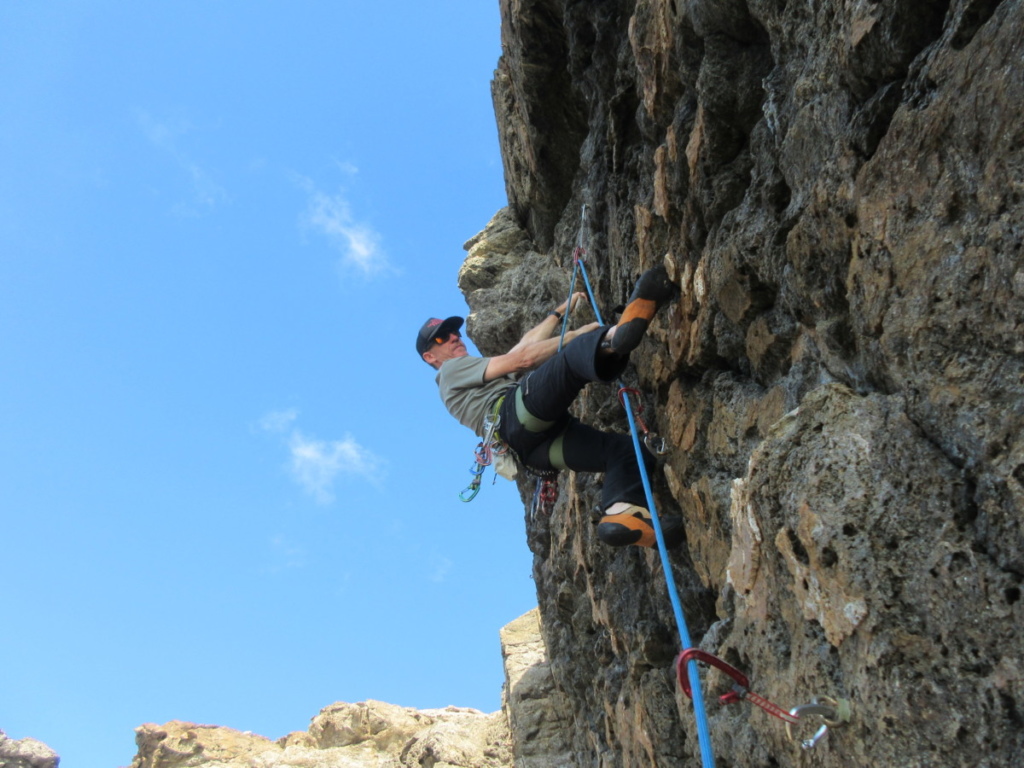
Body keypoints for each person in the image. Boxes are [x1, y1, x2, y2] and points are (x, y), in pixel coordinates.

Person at [416, 267, 684, 549]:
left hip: (532, 450)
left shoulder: (465, 378)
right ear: (430, 356)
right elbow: (522, 360)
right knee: (571, 359)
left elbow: (522, 346)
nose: (454, 337)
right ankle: (614, 337)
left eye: (454, 332)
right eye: (441, 338)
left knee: (625, 453)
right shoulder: (450, 371)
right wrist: (576, 335)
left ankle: (624, 517)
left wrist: (558, 313)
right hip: (515, 418)